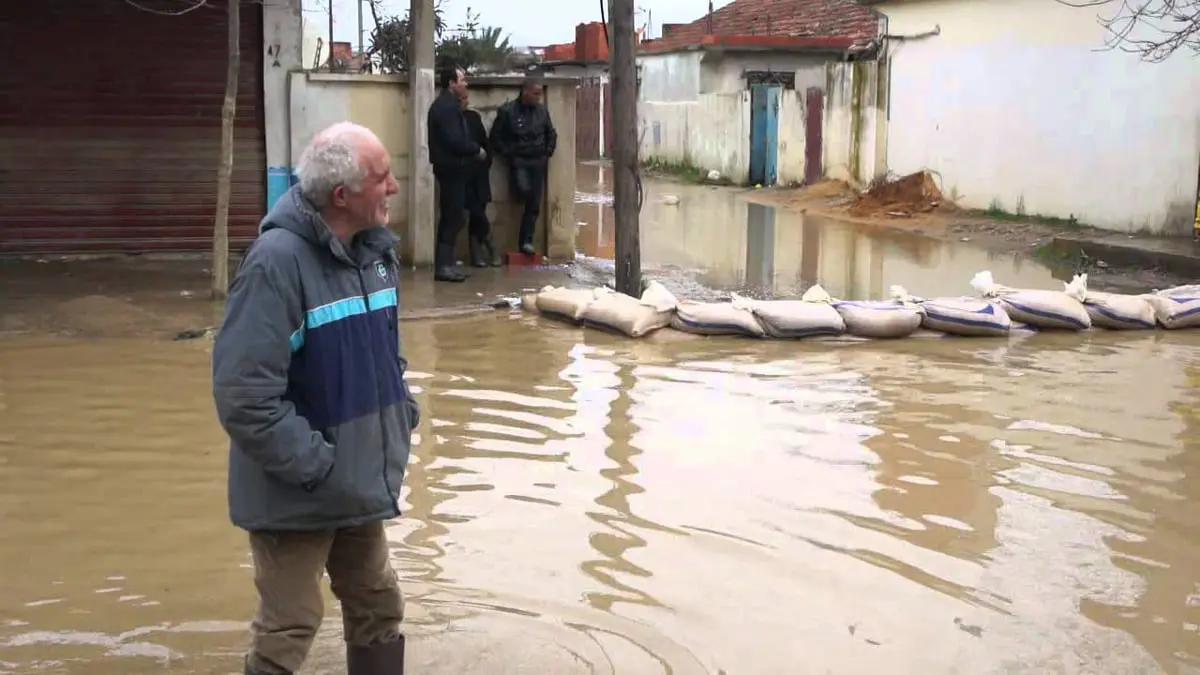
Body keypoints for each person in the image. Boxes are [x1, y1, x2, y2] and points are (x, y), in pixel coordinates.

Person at [212, 121, 419, 675]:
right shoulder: (275, 264)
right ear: (342, 196)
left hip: (356, 483)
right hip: (300, 489)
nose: (394, 187)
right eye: (382, 177)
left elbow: (385, 357)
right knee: (291, 625)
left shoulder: (375, 256)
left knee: (378, 604)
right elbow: (244, 396)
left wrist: (401, 412)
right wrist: (318, 463)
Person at [427, 65, 485, 282]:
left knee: (455, 215)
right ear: (451, 83)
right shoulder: (445, 107)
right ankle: (443, 266)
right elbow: (455, 139)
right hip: (451, 168)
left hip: (453, 168)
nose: (465, 84)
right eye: (462, 80)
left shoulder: (448, 105)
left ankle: (448, 263)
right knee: (452, 216)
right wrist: (475, 149)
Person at [489, 76, 557, 255]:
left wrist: (547, 151)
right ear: (525, 91)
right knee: (523, 191)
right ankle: (518, 193)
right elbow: (495, 138)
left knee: (534, 203)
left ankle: (526, 240)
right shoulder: (508, 111)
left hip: (538, 160)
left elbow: (551, 133)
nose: (538, 97)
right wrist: (509, 153)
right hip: (518, 160)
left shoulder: (542, 112)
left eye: (540, 94)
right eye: (535, 93)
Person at [456, 87, 501, 267]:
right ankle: (491, 245)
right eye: (463, 98)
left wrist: (486, 159)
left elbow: (484, 141)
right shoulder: (451, 119)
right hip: (462, 173)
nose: (466, 102)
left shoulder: (473, 117)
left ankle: (476, 255)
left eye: (467, 98)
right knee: (476, 211)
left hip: (479, 172)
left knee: (479, 211)